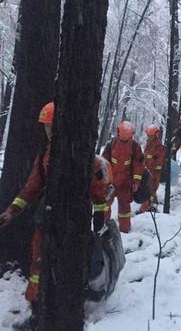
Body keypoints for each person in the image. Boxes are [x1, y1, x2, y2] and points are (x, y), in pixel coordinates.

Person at [0, 102, 112, 305]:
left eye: (51, 125)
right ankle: (36, 303)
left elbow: (99, 192)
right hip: (47, 219)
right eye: (46, 126)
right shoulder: (44, 155)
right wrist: (11, 211)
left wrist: (99, 217)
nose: (48, 130)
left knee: (69, 264)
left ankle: (66, 305)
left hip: (74, 223)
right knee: (39, 261)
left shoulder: (83, 155)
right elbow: (31, 187)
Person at [102, 121, 144, 233]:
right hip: (110, 182)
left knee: (124, 208)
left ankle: (124, 230)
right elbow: (103, 162)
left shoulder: (135, 147)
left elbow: (138, 165)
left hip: (126, 183)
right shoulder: (111, 145)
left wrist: (136, 181)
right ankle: (103, 227)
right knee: (105, 205)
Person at [140, 125, 166, 213]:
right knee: (148, 188)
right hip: (147, 170)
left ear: (154, 136)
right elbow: (145, 156)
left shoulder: (158, 146)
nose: (148, 137)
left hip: (154, 172)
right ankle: (148, 206)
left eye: (150, 136)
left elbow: (159, 160)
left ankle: (151, 207)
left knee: (152, 188)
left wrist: (152, 167)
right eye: (148, 136)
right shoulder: (148, 144)